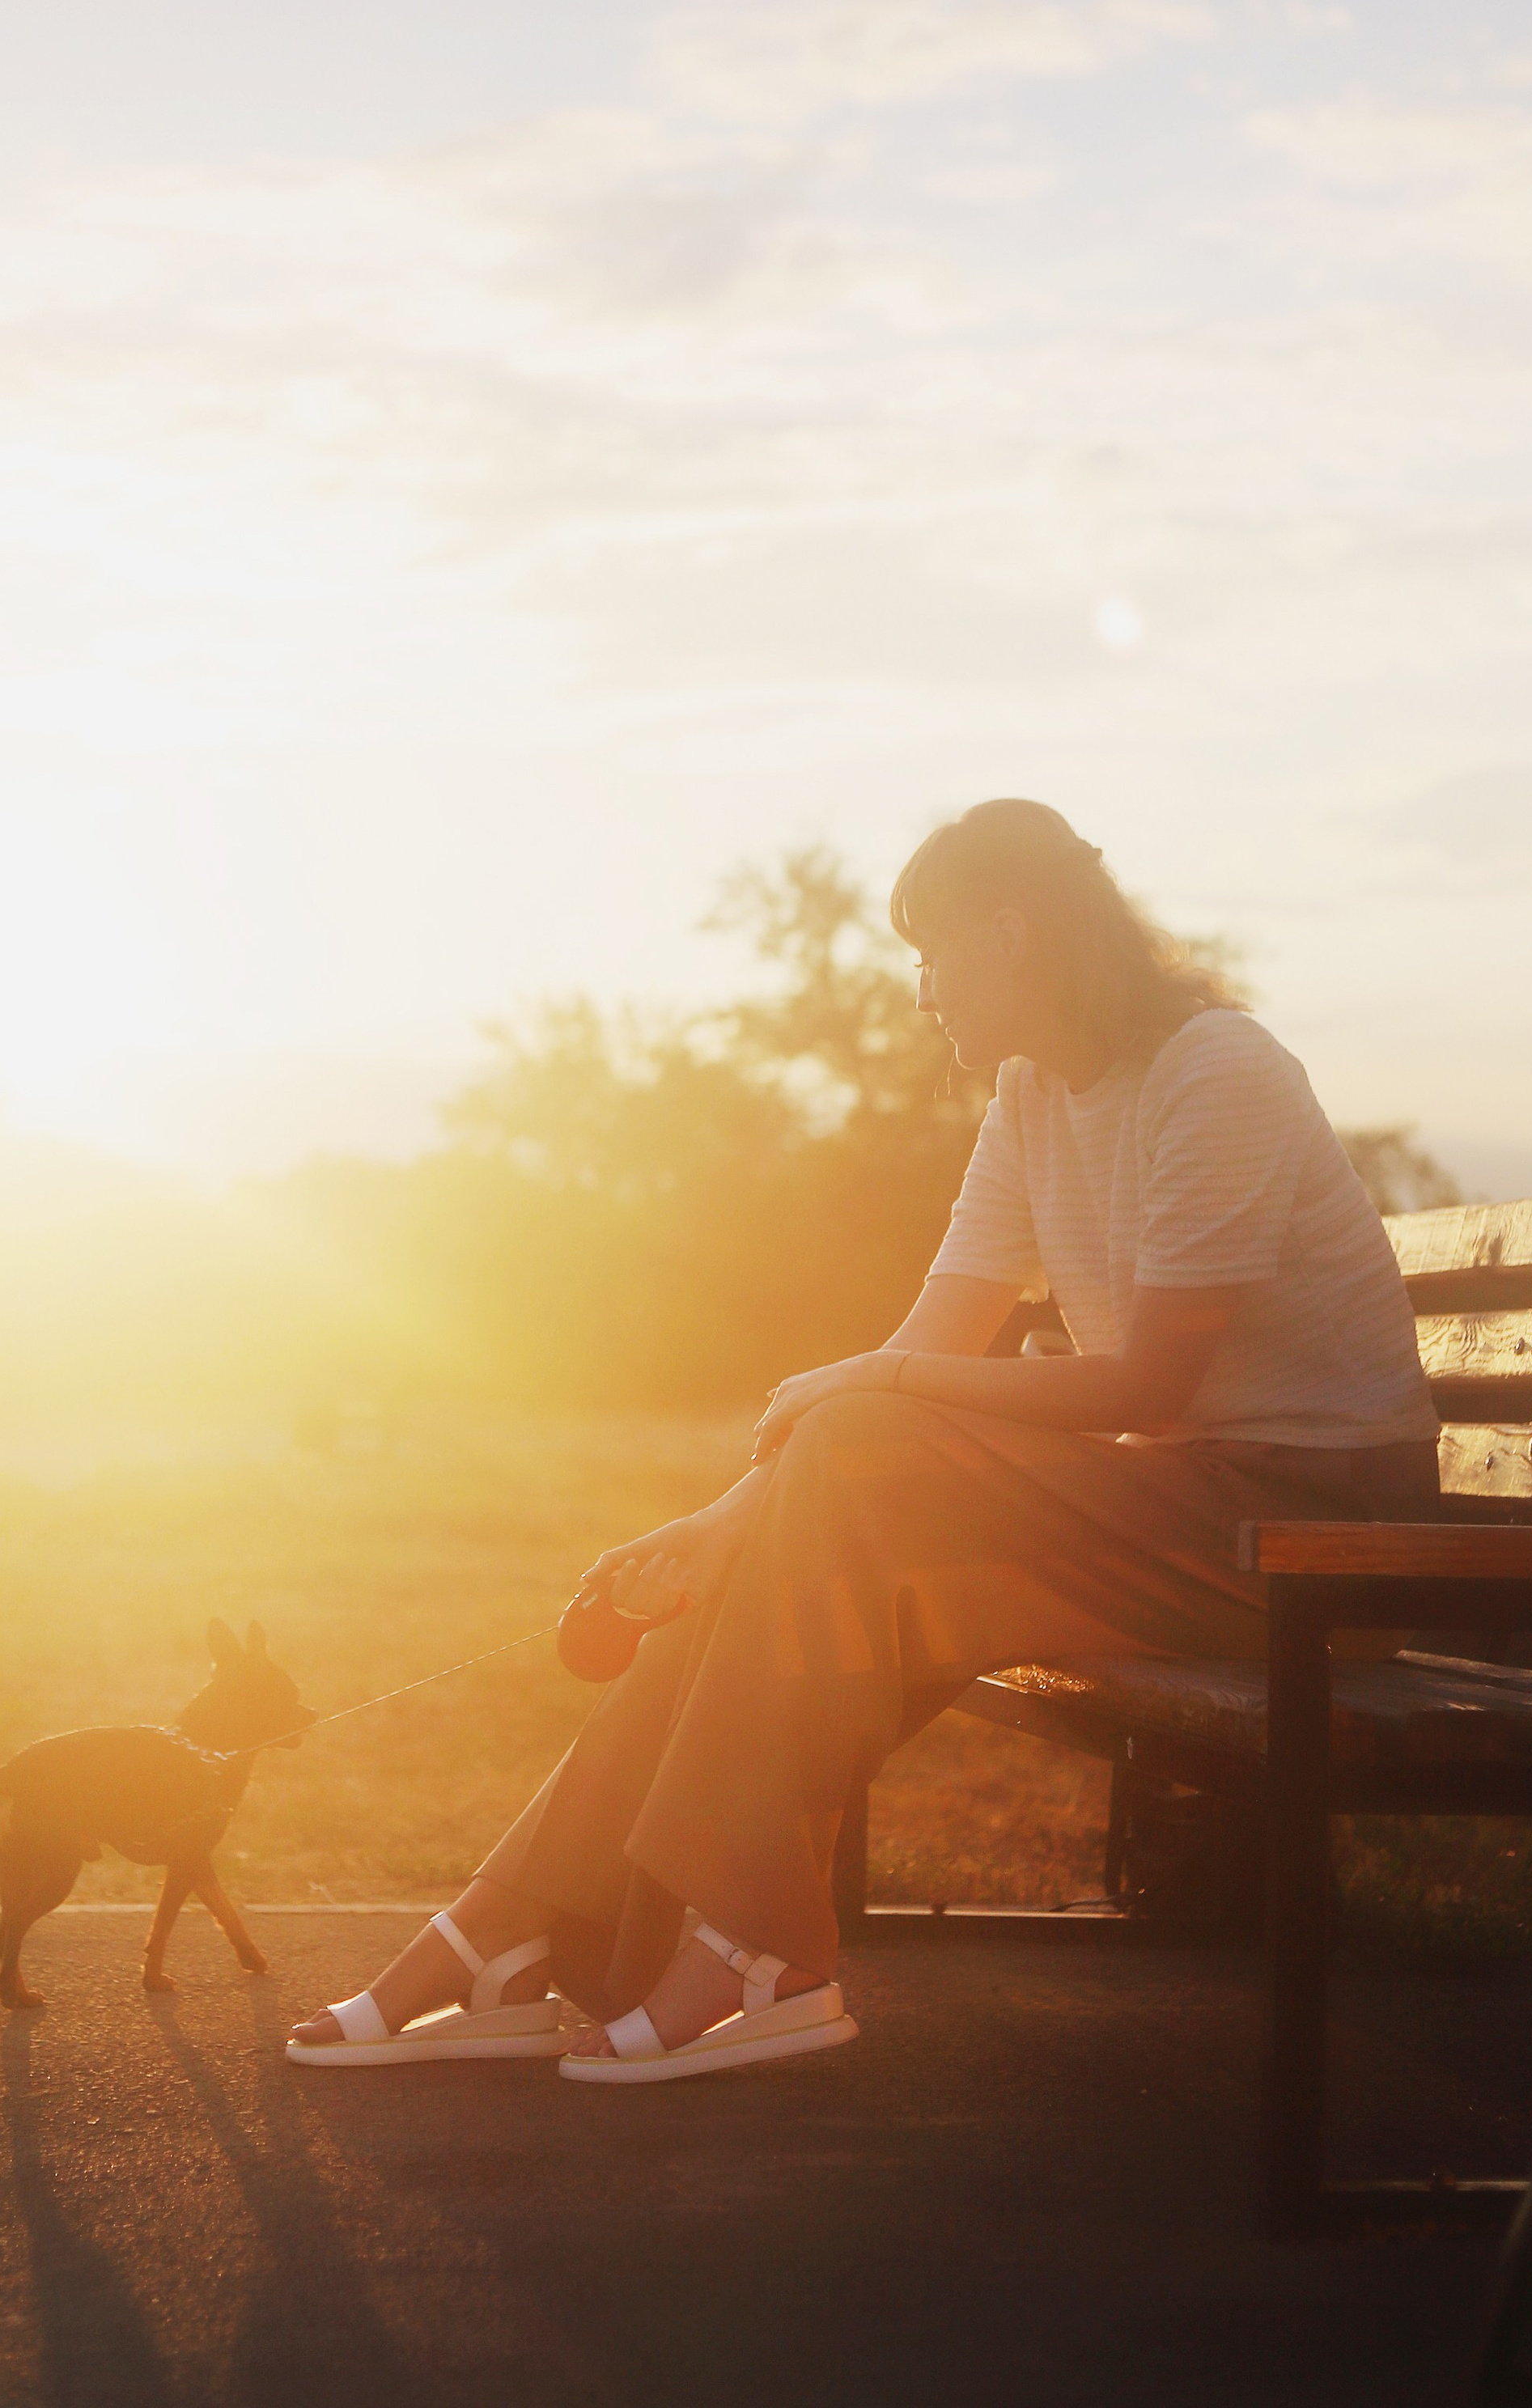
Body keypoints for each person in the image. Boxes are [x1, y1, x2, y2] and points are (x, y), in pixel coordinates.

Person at [287, 799, 1438, 2084]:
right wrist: (724, 1523)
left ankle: (623, 1939)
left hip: (1312, 1533)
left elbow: (1153, 1385)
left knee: (856, 1459)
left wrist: (874, 1382)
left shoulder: (1214, 1071)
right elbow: (942, 1330)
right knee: (803, 1538)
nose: (921, 990)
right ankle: (551, 1932)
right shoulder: (1030, 1094)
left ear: (1010, 936)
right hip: (1188, 1511)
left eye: (932, 953)